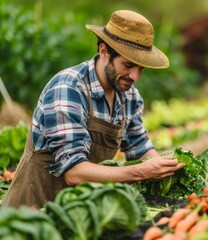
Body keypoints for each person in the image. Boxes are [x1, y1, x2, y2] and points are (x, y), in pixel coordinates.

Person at [2, 10, 184, 209]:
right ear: (104, 52)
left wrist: (169, 167)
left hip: (78, 211)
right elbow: (74, 172)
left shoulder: (128, 96)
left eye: (141, 68)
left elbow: (139, 147)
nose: (135, 76)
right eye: (129, 65)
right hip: (32, 211)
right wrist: (143, 171)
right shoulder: (68, 88)